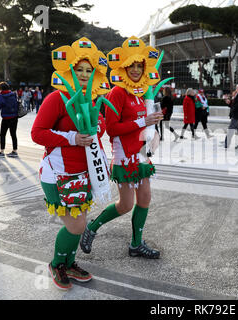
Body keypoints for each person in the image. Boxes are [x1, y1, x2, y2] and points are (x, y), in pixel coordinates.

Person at [31, 37, 112, 290]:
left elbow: (99, 131)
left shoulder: (95, 98)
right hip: (58, 173)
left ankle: (70, 263)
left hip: (85, 172)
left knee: (80, 221)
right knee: (76, 225)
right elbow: (37, 133)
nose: (85, 75)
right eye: (80, 70)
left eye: (89, 71)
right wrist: (72, 137)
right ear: (70, 71)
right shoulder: (56, 98)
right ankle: (57, 264)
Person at [80, 36, 163, 259]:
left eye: (140, 66)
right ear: (124, 68)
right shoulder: (117, 92)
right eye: (131, 66)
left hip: (143, 154)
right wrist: (143, 122)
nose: (135, 70)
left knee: (144, 199)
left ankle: (136, 244)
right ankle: (91, 227)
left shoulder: (142, 92)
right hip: (124, 156)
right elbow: (112, 128)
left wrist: (153, 123)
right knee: (126, 205)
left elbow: (144, 125)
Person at [0, 82, 19, 158]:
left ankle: (2, 151)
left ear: (0, 88)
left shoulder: (1, 96)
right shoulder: (13, 94)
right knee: (13, 134)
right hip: (14, 117)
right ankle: (14, 150)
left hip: (6, 118)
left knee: (2, 134)